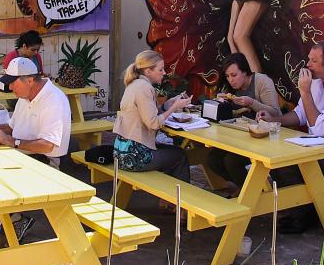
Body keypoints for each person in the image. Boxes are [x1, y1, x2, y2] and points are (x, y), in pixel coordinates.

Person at [257, 41, 324, 233]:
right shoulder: (316, 83)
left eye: (313, 61)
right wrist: (274, 120)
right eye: (309, 59)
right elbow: (300, 114)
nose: (308, 64)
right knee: (277, 161)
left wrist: (305, 92)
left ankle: (305, 216)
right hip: (319, 146)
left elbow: (320, 128)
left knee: (291, 164)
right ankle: (304, 210)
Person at [112, 51, 193, 189]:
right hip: (134, 156)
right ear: (148, 71)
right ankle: (180, 205)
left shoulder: (134, 84)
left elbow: (147, 113)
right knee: (179, 156)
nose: (164, 72)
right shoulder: (144, 88)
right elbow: (153, 123)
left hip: (122, 152)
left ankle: (168, 202)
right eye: (160, 69)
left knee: (172, 154)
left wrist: (168, 104)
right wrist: (174, 107)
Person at [207, 53, 281, 194]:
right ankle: (248, 190)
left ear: (245, 71)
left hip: (264, 137)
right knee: (213, 160)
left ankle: (251, 194)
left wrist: (252, 103)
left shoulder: (261, 81)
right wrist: (220, 104)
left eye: (234, 75)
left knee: (231, 161)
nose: (231, 80)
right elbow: (225, 116)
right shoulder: (229, 88)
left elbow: (275, 113)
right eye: (228, 76)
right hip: (239, 137)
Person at [0, 56, 70, 160]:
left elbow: (47, 145)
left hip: (45, 162)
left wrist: (11, 141)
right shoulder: (25, 96)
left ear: (30, 80)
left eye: (12, 82)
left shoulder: (54, 100)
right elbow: (12, 128)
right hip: (21, 155)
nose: (10, 87)